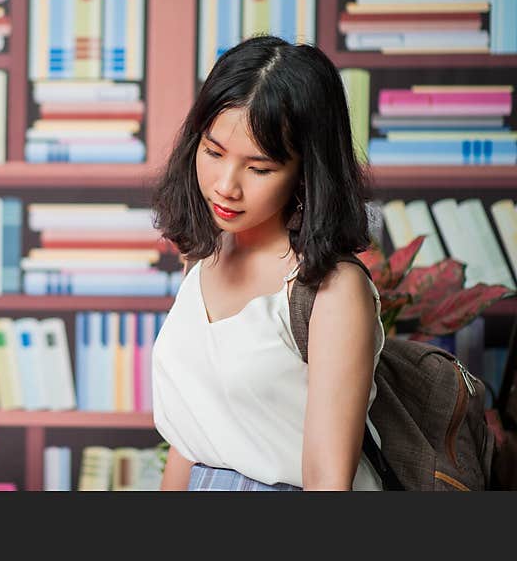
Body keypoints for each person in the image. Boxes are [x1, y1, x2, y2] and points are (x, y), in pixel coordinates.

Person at [150, 35, 386, 491]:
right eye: (213, 152)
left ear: (306, 171)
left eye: (258, 168)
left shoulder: (332, 290)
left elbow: (327, 481)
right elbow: (192, 435)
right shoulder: (202, 257)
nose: (225, 185)